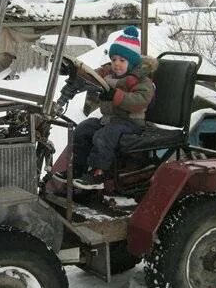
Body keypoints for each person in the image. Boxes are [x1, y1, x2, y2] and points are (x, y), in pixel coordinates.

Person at [53, 26, 158, 190]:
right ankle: (78, 169)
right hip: (109, 120)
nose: (116, 64)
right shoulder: (107, 72)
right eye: (114, 59)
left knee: (104, 136)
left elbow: (140, 101)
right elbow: (90, 76)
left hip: (130, 122)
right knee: (83, 128)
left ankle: (98, 173)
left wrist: (116, 95)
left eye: (122, 61)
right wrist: (72, 71)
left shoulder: (141, 80)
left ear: (132, 62)